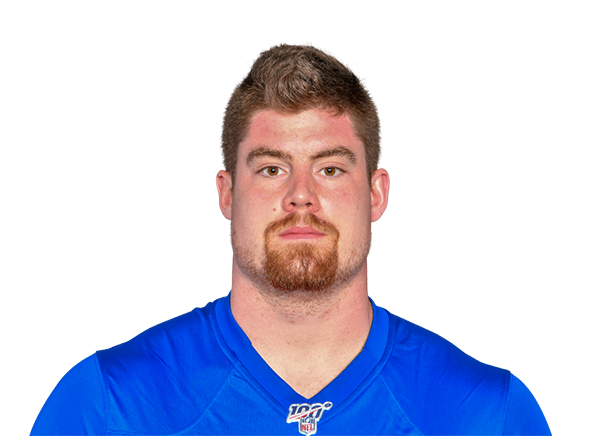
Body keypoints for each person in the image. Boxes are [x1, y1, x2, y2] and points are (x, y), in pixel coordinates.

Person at [31, 42, 551, 435]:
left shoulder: (487, 413)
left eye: (330, 169)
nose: (301, 196)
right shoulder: (109, 405)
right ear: (227, 194)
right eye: (272, 169)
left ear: (376, 194)